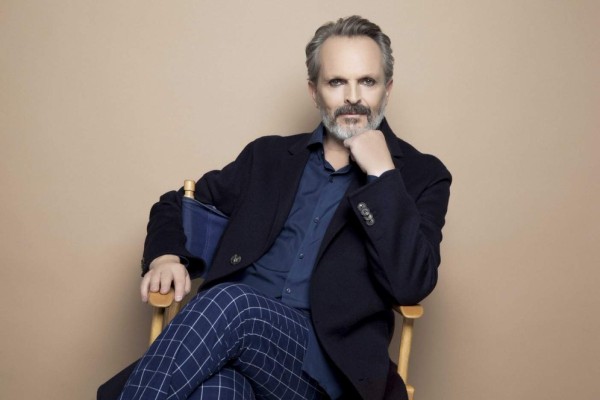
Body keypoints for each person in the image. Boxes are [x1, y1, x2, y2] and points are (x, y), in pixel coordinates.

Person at [99, 15, 451, 400]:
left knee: (231, 300)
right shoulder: (268, 157)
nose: (353, 97)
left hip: (322, 368)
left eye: (367, 81)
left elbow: (412, 282)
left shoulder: (420, 175)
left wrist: (382, 176)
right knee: (216, 390)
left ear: (387, 89)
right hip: (228, 345)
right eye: (336, 82)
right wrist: (166, 256)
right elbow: (175, 205)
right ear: (314, 92)